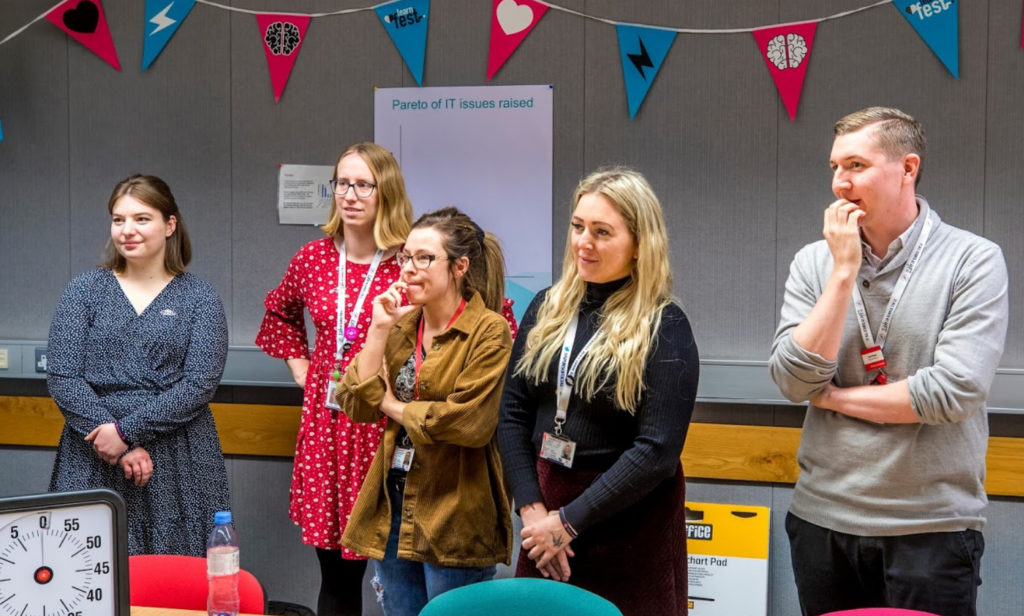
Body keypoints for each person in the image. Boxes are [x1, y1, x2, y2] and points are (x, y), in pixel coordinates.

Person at [769, 107, 1008, 616]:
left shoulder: (973, 259)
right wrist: (842, 273)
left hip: (930, 527)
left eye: (855, 165)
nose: (839, 183)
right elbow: (792, 380)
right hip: (822, 518)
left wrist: (832, 397)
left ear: (907, 168)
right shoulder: (815, 262)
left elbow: (951, 392)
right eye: (835, 167)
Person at [497, 167, 699, 616]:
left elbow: (656, 451)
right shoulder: (548, 306)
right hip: (546, 507)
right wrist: (533, 513)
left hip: (627, 518)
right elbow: (511, 412)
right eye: (577, 227)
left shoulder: (664, 325)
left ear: (638, 245)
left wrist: (568, 523)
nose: (583, 242)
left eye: (602, 232)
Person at [256, 143, 412, 616]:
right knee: (337, 579)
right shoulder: (313, 258)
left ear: (386, 193)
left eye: (363, 184)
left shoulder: (407, 260)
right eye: (342, 183)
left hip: (385, 424)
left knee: (396, 573)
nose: (350, 194)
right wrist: (303, 369)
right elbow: (278, 313)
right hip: (327, 426)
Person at [336, 207, 514, 616]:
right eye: (405, 257)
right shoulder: (400, 325)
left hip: (455, 509)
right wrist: (378, 329)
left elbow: (467, 423)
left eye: (424, 258)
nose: (409, 269)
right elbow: (355, 403)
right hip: (394, 500)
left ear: (459, 267)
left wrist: (390, 404)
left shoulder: (489, 329)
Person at [47, 174, 229, 556]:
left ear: (170, 225)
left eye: (141, 219)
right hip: (93, 449)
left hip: (178, 456)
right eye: (118, 219)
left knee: (175, 576)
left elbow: (199, 385)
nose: (127, 230)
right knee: (85, 566)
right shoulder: (84, 290)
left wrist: (127, 432)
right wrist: (115, 441)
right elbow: (63, 376)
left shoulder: (200, 298)